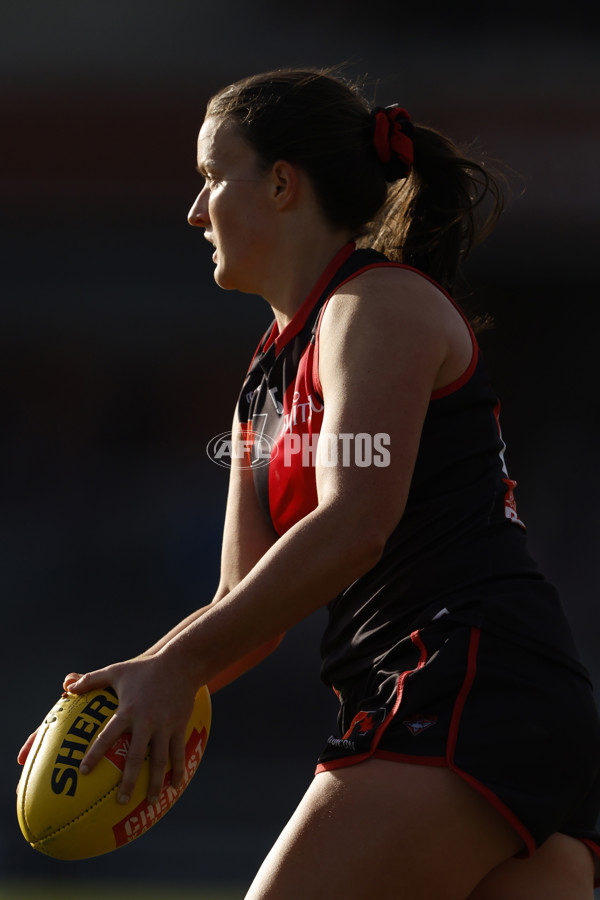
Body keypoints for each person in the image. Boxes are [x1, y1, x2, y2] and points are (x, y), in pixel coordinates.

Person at [19, 68, 600, 898]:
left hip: (465, 684)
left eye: (212, 178)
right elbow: (242, 604)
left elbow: (358, 516)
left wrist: (175, 666)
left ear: (283, 184)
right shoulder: (262, 381)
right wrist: (138, 685)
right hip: (467, 700)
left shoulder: (376, 305)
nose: (194, 211)